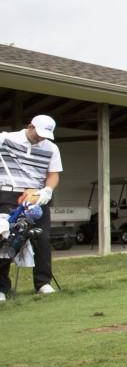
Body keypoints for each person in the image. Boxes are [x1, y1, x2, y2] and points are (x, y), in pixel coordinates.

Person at [0, 115, 62, 301]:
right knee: (6, 239)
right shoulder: (5, 139)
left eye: (46, 135)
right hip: (7, 193)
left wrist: (46, 192)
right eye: (39, 133)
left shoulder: (51, 148)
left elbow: (53, 175)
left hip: (36, 197)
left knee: (41, 238)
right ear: (30, 126)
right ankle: (1, 287)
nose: (41, 138)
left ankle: (43, 283)